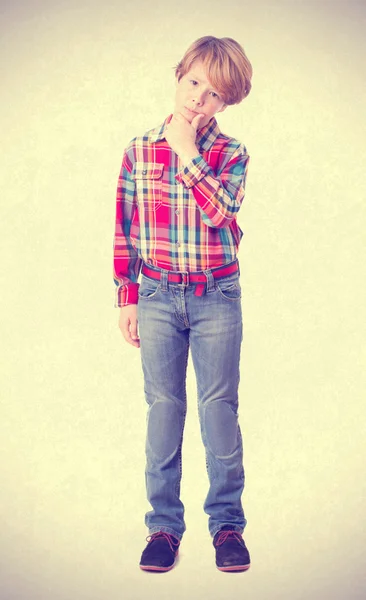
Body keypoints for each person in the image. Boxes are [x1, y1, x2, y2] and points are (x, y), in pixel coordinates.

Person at [113, 35, 253, 572]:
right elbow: (125, 227)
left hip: (216, 296)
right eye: (194, 83)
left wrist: (189, 152)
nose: (199, 99)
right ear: (179, 75)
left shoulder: (231, 154)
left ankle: (227, 526)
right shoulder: (138, 150)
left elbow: (221, 213)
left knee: (219, 410)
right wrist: (127, 296)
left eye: (214, 94)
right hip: (156, 294)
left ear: (227, 103)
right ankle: (164, 528)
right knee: (163, 411)